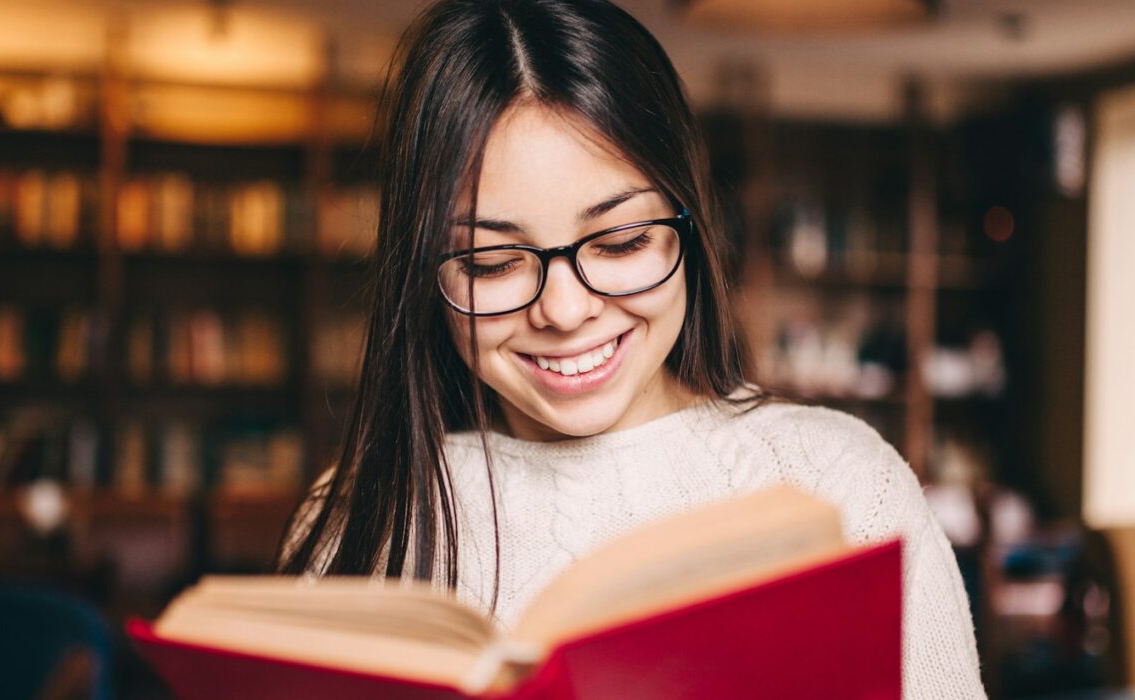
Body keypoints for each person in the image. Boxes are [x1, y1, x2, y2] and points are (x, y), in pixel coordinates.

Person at [275, 0, 984, 696]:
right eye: (491, 263)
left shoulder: (843, 487)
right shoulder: (358, 518)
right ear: (423, 271)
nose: (564, 309)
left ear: (689, 226)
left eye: (621, 242)